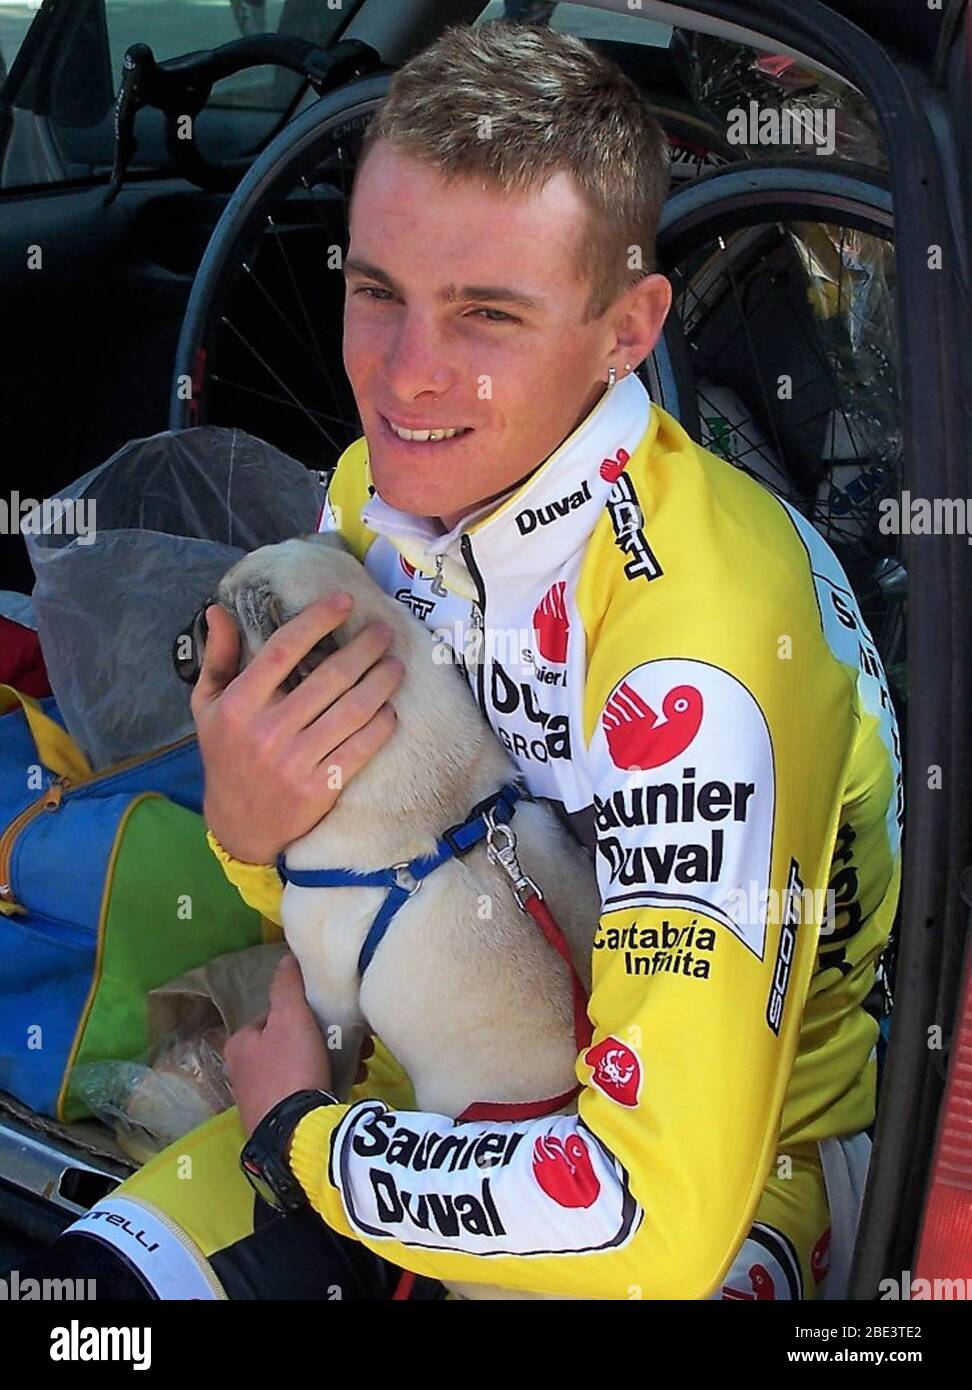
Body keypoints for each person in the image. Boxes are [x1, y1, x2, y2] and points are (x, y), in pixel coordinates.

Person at [33, 21, 901, 1300]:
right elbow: (332, 890)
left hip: (729, 1164)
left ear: (626, 329)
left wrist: (305, 1145)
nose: (403, 375)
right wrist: (247, 827)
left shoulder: (704, 643)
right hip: (412, 1068)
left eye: (486, 313)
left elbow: (649, 1215)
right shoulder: (369, 500)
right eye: (376, 288)